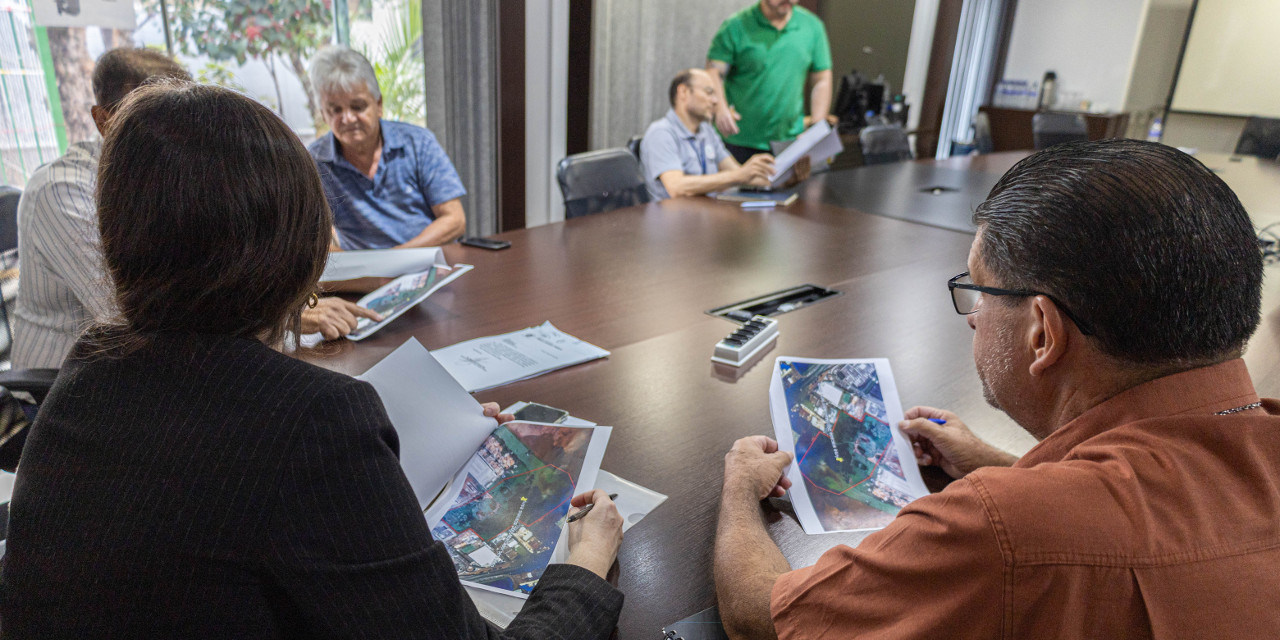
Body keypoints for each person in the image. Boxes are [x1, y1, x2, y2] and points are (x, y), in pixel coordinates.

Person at [0, 82, 625, 638]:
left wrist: (382, 462)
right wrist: (585, 566)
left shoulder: (91, 365)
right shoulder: (312, 419)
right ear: (299, 247)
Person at [714, 139, 1280, 638]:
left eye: (980, 292)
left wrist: (741, 488)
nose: (972, 316)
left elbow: (763, 618)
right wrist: (996, 461)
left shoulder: (1001, 529)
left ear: (1041, 334)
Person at [11, 48, 371, 369]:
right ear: (104, 120)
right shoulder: (60, 190)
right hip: (79, 387)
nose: (180, 133)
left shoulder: (165, 172)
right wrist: (288, 315)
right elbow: (132, 314)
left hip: (167, 366)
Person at [308, 45, 466, 250]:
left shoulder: (418, 142)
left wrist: (395, 258)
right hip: (361, 277)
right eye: (335, 110)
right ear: (323, 114)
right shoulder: (314, 162)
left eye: (358, 106)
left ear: (379, 104)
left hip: (425, 262)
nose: (347, 118)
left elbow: (454, 220)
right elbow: (311, 237)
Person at [642, 69, 810, 200]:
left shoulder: (707, 131)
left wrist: (784, 181)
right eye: (709, 92)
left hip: (704, 221)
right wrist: (738, 175)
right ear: (683, 92)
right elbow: (676, 187)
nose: (715, 101)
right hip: (672, 228)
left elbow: (739, 174)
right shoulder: (661, 133)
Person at [706, 0, 833, 164]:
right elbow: (713, 72)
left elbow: (821, 79)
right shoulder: (736, 25)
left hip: (788, 139)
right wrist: (720, 108)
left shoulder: (812, 26)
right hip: (739, 138)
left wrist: (816, 126)